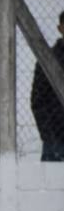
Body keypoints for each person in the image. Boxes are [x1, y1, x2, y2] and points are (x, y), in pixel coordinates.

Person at [31, 10, 64, 162]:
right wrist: (50, 137)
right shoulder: (48, 59)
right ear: (60, 28)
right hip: (56, 139)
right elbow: (38, 102)